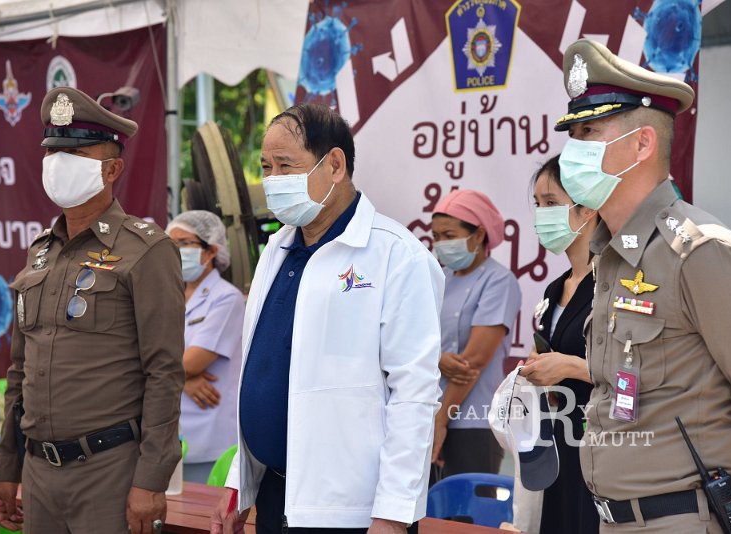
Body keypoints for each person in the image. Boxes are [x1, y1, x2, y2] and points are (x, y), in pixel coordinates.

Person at [209, 102, 444, 534]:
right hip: (276, 497)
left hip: (353, 511)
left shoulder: (396, 255)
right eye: (266, 167)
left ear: (335, 164)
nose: (273, 180)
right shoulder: (277, 251)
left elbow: (414, 393)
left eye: (286, 165)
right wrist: (240, 484)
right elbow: (263, 375)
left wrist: (393, 514)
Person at [556, 39, 731, 532]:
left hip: (684, 517)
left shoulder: (697, 251)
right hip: (613, 518)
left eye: (589, 132)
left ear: (642, 144)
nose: (573, 150)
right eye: (572, 135)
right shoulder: (612, 255)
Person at [0, 87, 185, 534]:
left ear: (112, 169)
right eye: (52, 152)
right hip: (38, 473)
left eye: (75, 154)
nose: (59, 164)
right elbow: (20, 370)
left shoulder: (147, 250)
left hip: (109, 472)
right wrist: (7, 467)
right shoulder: (40, 252)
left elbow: (164, 372)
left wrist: (151, 479)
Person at [510, 154, 600, 534]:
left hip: (601, 447)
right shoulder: (554, 289)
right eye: (538, 204)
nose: (542, 215)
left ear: (588, 209)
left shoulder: (614, 283)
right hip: (556, 447)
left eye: (552, 203)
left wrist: (570, 367)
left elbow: (642, 370)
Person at [429, 189, 521, 486]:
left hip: (474, 422)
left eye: (449, 235)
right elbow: (414, 344)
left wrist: (441, 421)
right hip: (426, 416)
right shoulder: (437, 279)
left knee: (468, 509)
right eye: (436, 236)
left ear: (479, 235)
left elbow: (472, 362)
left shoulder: (499, 281)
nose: (441, 244)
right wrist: (436, 359)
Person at [165, 211, 245, 483]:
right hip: (170, 431)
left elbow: (192, 362)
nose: (176, 251)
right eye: (171, 244)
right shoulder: (169, 296)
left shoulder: (227, 298)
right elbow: (137, 352)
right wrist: (184, 380)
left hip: (210, 434)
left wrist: (180, 373)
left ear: (211, 251)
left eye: (183, 243)